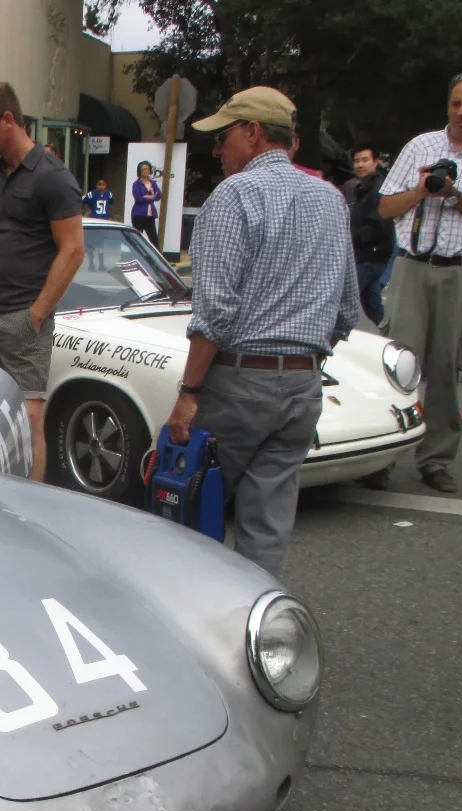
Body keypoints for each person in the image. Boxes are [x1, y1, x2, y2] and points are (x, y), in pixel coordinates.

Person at [164, 87, 359, 578]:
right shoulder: (330, 199)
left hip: (238, 381)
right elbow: (348, 309)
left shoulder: (233, 197)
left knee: (186, 510)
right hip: (302, 384)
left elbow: (215, 311)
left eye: (224, 136)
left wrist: (189, 393)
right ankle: (255, 630)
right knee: (267, 530)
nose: (217, 150)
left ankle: (188, 625)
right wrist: (304, 356)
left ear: (252, 133)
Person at [378, 70, 462, 493]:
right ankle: (381, 456)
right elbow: (384, 207)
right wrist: (421, 191)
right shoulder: (421, 145)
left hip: (461, 270)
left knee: (446, 368)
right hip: (412, 266)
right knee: (398, 366)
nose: (460, 111)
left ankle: (435, 459)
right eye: (455, 102)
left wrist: (454, 194)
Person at [0, 81, 84, 483]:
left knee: (30, 416)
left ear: (9, 119)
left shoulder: (52, 176)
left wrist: (35, 315)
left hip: (22, 318)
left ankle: (30, 510)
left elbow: (73, 251)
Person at [345, 145, 394, 325]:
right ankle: (391, 334)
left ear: (375, 162)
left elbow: (379, 222)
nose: (360, 165)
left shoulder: (379, 188)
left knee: (343, 298)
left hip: (371, 255)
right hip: (367, 255)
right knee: (372, 304)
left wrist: (351, 239)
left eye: (365, 160)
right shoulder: (362, 188)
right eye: (357, 161)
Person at [130, 160, 161, 247]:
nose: (146, 171)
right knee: (137, 241)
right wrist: (149, 197)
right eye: (143, 169)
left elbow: (158, 195)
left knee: (154, 240)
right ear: (139, 171)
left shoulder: (153, 183)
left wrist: (149, 197)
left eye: (147, 169)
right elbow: (138, 198)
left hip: (150, 216)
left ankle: (156, 259)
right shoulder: (136, 184)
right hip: (139, 215)